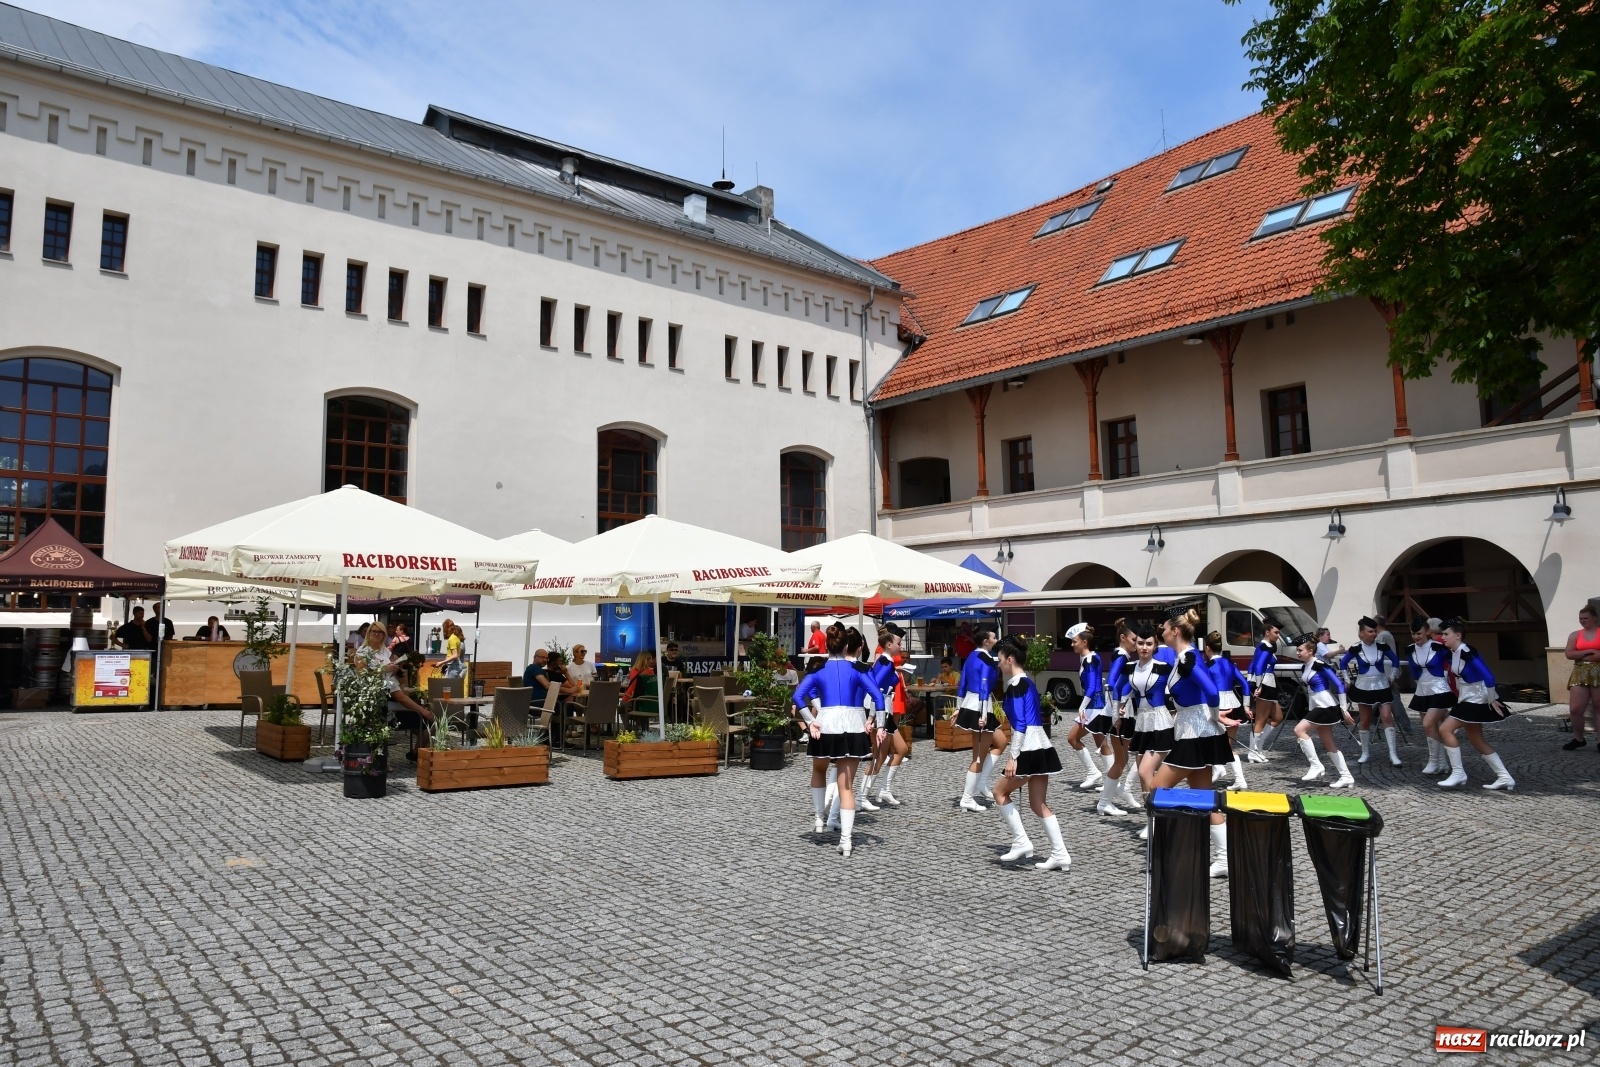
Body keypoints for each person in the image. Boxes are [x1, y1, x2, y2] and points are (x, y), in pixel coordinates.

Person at [1152, 608, 1231, 878]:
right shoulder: (1185, 656)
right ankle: (1223, 858)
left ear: (1175, 631)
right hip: (1192, 729)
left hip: (1194, 732)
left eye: (1164, 628)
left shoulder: (1187, 658)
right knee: (1204, 797)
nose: (1161, 632)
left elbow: (1211, 690)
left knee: (1156, 789)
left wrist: (1214, 715)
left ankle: (1170, 849)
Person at [793, 622, 884, 857]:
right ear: (845, 647)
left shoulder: (818, 671)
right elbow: (878, 696)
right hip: (853, 726)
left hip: (826, 724)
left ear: (827, 646)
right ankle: (846, 841)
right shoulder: (858, 671)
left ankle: (819, 817)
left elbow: (798, 695)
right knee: (846, 786)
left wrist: (810, 721)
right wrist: (878, 723)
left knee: (819, 769)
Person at [990, 636, 1072, 870]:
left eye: (1000, 659)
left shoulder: (1016, 686)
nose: (998, 664)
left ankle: (1021, 842)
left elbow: (1020, 726)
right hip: (1041, 745)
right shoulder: (1028, 683)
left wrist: (1013, 757)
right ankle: (1060, 854)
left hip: (1027, 747)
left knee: (999, 792)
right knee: (1038, 804)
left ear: (1010, 659)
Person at [1436, 620, 1515, 790]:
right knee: (1476, 739)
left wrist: (1492, 699)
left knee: (1445, 729)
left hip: (1476, 698)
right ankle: (1505, 777)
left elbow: (1488, 676)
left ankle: (1458, 773)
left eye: (1446, 634)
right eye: (1442, 634)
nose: (1443, 637)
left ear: (1458, 635)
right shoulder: (1454, 652)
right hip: (1467, 697)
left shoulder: (1467, 651)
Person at [353, 621, 434, 760]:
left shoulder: (384, 651)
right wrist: (383, 669)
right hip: (377, 699)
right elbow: (361, 673)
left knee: (428, 722)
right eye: (374, 631)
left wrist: (396, 672)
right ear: (368, 633)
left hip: (392, 697)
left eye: (380, 632)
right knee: (424, 717)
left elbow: (396, 682)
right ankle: (379, 760)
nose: (377, 634)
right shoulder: (362, 651)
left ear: (384, 635)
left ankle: (416, 753)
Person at [1292, 634, 1355, 789]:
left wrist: (1343, 708)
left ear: (1310, 651)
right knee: (1328, 743)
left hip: (1325, 705)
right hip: (1316, 705)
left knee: (1299, 730)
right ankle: (1346, 776)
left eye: (1300, 650)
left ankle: (1316, 765)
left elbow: (1339, 685)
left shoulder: (1320, 665)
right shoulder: (1305, 666)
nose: (1297, 653)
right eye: (1297, 650)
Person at [1341, 616, 1405, 766]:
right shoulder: (1356, 648)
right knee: (1365, 720)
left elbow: (1395, 660)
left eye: (1375, 631)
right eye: (1370, 631)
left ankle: (1393, 754)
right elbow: (1343, 663)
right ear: (1361, 633)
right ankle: (1365, 752)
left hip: (1382, 685)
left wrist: (1391, 676)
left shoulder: (1382, 646)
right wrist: (1347, 680)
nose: (1374, 634)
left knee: (1387, 717)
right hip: (1363, 686)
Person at [954, 628, 1003, 812]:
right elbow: (984, 686)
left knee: (1001, 742)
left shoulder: (971, 656)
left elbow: (962, 683)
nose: (996, 640)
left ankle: (982, 782)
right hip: (981, 706)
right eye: (993, 637)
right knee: (978, 757)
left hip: (971, 703)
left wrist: (958, 707)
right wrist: (983, 715)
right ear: (985, 641)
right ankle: (967, 798)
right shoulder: (986, 659)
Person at [864, 624, 912, 807]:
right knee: (880, 755)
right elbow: (876, 689)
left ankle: (884, 789)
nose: (901, 646)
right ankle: (862, 796)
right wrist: (873, 718)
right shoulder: (886, 662)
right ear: (890, 644)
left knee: (901, 750)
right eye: (899, 643)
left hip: (884, 710)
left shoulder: (886, 662)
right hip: (881, 711)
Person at [1095, 619, 1139, 817]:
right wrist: (1117, 709)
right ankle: (1105, 802)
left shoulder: (1124, 655)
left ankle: (1115, 794)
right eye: (1134, 640)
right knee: (1120, 761)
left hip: (1123, 709)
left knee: (1123, 759)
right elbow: (1112, 683)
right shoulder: (1121, 655)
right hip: (1120, 710)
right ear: (1123, 638)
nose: (1136, 644)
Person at [1203, 631, 1252, 790]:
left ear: (1207, 648)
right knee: (1227, 746)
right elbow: (1245, 684)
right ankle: (1232, 776)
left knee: (1210, 742)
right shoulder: (1230, 664)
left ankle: (1221, 770)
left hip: (1217, 705)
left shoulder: (1207, 666)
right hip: (1233, 704)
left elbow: (1205, 689)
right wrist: (1246, 705)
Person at [1064, 623, 1109, 791]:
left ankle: (1098, 774)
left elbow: (1091, 687)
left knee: (1075, 738)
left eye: (1074, 641)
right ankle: (1105, 777)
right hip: (1095, 704)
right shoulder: (1090, 657)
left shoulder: (1090, 660)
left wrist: (1081, 707)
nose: (1072, 644)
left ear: (1084, 642)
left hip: (1094, 706)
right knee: (1100, 743)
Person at [1407, 617, 1454, 774]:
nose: (1416, 637)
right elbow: (1414, 671)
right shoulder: (1410, 649)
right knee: (1431, 727)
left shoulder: (1439, 647)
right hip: (1422, 690)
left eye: (1419, 633)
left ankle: (1433, 761)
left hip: (1440, 689)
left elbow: (1455, 663)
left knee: (1428, 724)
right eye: (1413, 634)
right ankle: (1442, 763)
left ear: (1427, 631)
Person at [1562, 602, 1600, 750]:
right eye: (1580, 618)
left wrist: (1581, 654)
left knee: (1598, 708)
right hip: (1580, 672)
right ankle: (1578, 738)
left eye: (1585, 618)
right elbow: (1569, 653)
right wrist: (1588, 652)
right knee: (1575, 709)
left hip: (1598, 672)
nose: (1582, 621)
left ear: (1594, 618)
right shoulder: (1575, 635)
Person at [1244, 621, 1282, 762]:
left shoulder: (1262, 646)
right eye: (1276, 632)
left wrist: (1252, 681)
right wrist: (1258, 686)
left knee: (1278, 717)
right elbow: (1258, 667)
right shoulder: (1266, 647)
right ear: (1267, 632)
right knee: (1261, 719)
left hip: (1268, 684)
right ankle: (1252, 751)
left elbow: (1252, 665)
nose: (1278, 635)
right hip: (1265, 684)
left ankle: (1258, 747)